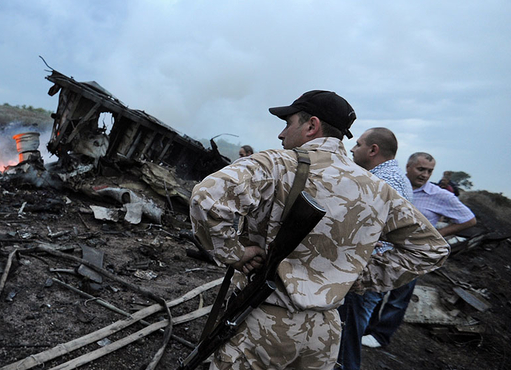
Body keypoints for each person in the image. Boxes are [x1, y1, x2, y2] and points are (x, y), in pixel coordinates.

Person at [190, 90, 449, 370]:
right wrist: (360, 276)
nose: (281, 134)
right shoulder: (378, 190)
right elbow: (431, 248)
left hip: (262, 322)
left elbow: (207, 198)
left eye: (287, 123)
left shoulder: (278, 164)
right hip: (325, 333)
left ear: (311, 126)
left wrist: (234, 252)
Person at [362, 152, 476, 349]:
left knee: (399, 298)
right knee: (375, 290)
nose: (425, 174)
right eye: (421, 169)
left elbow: (469, 220)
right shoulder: (395, 185)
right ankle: (366, 330)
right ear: (408, 167)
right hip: (384, 251)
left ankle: (381, 336)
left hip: (411, 256)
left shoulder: (439, 195)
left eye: (429, 171)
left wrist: (438, 235)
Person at [336, 127, 413, 370]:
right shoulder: (394, 178)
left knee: (344, 341)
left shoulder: (383, 182)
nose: (352, 148)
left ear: (373, 150)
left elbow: (364, 231)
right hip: (373, 270)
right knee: (345, 337)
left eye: (357, 144)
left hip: (364, 273)